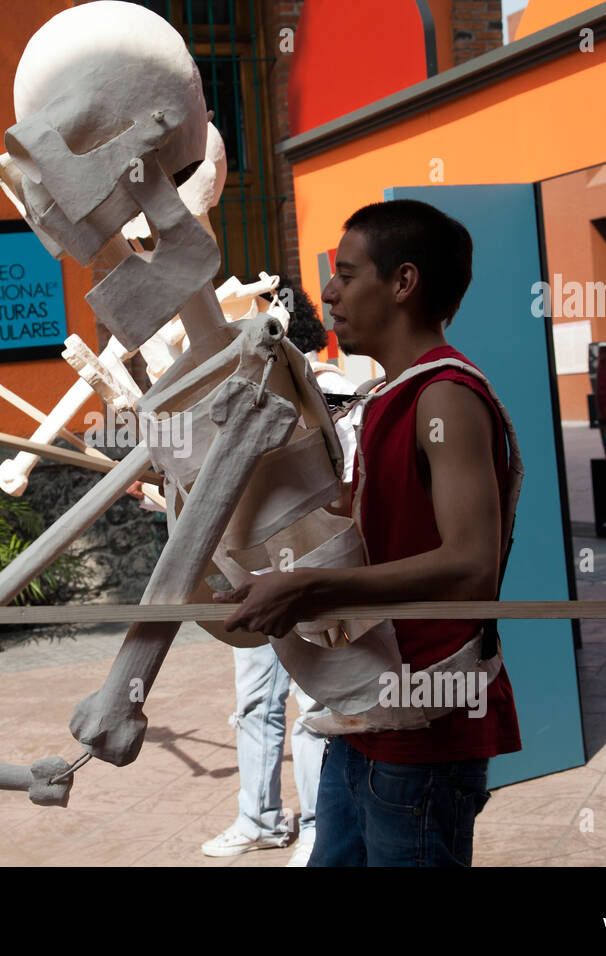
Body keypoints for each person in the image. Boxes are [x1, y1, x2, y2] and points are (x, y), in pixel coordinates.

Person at [220, 199, 522, 867]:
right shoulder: (385, 397)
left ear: (404, 283)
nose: (328, 291)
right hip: (367, 713)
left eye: (348, 274)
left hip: (426, 724)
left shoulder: (444, 396)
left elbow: (472, 564)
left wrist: (312, 585)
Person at [200, 279, 357, 867]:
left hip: (312, 571)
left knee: (313, 703)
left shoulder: (331, 391)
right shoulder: (249, 398)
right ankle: (259, 819)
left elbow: (332, 488)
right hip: (257, 568)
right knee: (253, 702)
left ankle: (320, 825)